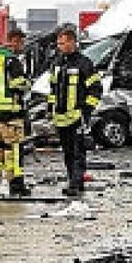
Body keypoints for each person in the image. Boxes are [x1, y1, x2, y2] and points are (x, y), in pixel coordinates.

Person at [47, 24, 102, 197]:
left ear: (72, 42)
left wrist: (86, 110)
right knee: (68, 153)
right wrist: (50, 109)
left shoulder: (84, 64)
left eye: (63, 43)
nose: (60, 46)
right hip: (61, 117)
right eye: (59, 43)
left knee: (78, 152)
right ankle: (72, 179)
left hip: (77, 117)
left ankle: (76, 184)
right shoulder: (57, 63)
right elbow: (53, 89)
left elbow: (96, 89)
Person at [0, 28, 31, 198]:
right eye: (21, 43)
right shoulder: (12, 61)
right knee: (13, 152)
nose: (22, 46)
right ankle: (16, 187)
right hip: (9, 115)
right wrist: (27, 84)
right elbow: (18, 85)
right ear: (15, 41)